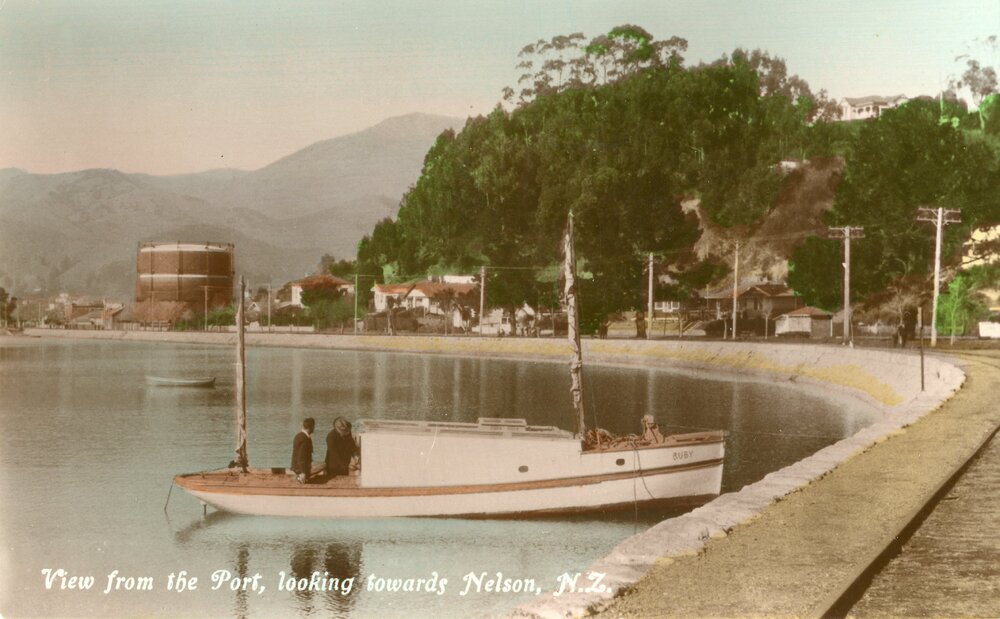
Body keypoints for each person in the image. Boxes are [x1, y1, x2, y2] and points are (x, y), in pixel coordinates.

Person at [291, 417, 315, 483]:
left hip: (296, 466)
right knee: (324, 465)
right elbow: (301, 457)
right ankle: (301, 476)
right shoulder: (304, 439)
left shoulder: (299, 435)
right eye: (313, 426)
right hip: (300, 468)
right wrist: (303, 472)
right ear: (311, 427)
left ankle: (300, 475)